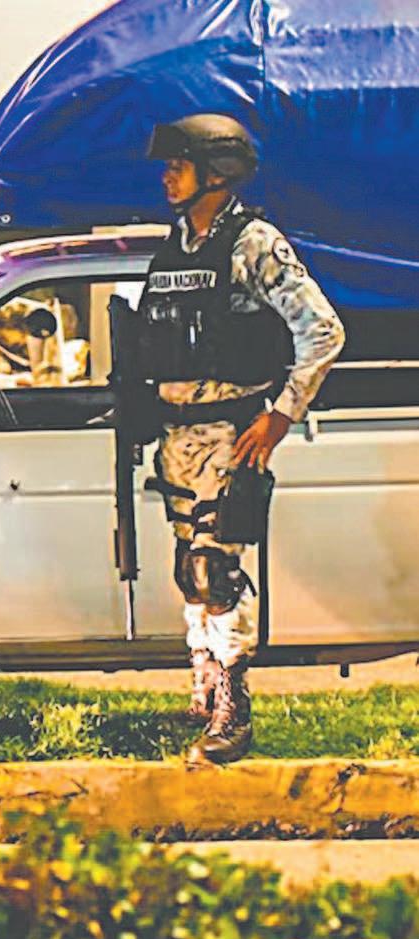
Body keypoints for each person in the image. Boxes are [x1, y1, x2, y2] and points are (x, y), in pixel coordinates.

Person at [128, 114, 344, 764]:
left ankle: (234, 709)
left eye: (179, 165)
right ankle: (203, 691)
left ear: (216, 174)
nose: (167, 176)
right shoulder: (178, 247)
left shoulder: (253, 244)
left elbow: (323, 331)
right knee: (188, 572)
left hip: (230, 432)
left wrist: (280, 415)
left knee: (214, 570)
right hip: (178, 436)